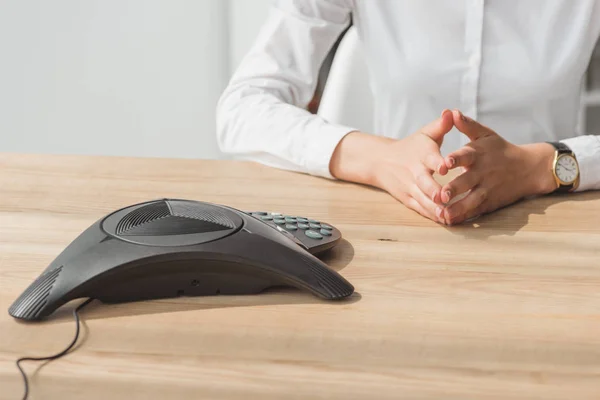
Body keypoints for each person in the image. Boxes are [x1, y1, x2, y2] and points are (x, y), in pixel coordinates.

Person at [216, 0, 600, 225]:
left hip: (553, 222)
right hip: (397, 227)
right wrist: (380, 159)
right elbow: (242, 108)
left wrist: (540, 165)